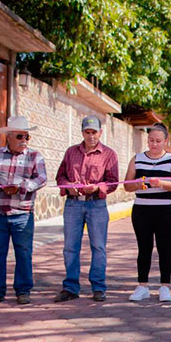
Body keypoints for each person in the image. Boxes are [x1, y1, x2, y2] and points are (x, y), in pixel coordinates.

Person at [0, 116, 47, 306]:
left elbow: (41, 179)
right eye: (19, 136)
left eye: (27, 136)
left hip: (22, 213)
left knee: (23, 253)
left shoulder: (35, 156)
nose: (24, 140)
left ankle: (23, 291)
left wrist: (22, 187)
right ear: (8, 136)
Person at [54, 116, 119, 303]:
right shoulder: (71, 152)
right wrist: (68, 186)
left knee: (98, 247)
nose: (91, 136)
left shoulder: (109, 154)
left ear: (100, 132)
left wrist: (98, 187)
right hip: (73, 204)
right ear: (82, 132)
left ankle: (98, 287)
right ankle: (70, 287)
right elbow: (60, 177)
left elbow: (113, 182)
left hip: (96, 205)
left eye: (94, 132)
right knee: (70, 247)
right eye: (87, 132)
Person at [123, 123, 171, 302]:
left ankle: (165, 286)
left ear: (166, 141)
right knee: (144, 247)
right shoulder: (137, 158)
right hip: (142, 209)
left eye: (158, 141)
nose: (154, 144)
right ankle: (142, 286)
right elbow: (127, 185)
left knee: (164, 247)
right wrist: (137, 184)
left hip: (166, 209)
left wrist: (161, 183)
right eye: (151, 140)